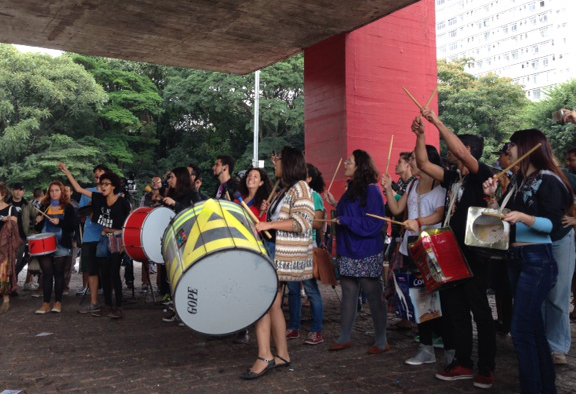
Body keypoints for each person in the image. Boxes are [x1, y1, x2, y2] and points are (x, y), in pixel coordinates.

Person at [483, 129, 572, 394]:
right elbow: (505, 219)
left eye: (511, 145)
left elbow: (550, 225)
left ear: (527, 147)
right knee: (532, 330)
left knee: (521, 330)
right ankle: (546, 388)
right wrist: (493, 197)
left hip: (537, 260)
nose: (507, 150)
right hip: (518, 258)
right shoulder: (522, 179)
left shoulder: (549, 180)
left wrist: (523, 218)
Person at [414, 109, 496, 389]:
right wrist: (421, 134)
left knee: (480, 312)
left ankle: (486, 366)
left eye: (455, 147)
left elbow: (459, 150)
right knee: (455, 311)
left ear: (468, 150)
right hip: (450, 254)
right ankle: (463, 362)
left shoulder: (480, 175)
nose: (449, 151)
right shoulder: (454, 179)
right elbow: (423, 163)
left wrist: (436, 121)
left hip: (474, 255)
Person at [243, 146, 315, 379]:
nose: (274, 163)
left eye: (279, 160)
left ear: (290, 163)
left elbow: (303, 222)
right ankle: (282, 354)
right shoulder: (285, 189)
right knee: (272, 305)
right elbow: (283, 218)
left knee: (262, 303)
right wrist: (269, 214)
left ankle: (265, 356)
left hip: (283, 255)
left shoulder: (301, 187)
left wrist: (270, 224)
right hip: (275, 251)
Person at [383, 144, 453, 367]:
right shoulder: (412, 185)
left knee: (439, 300)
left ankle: (451, 346)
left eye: (413, 158)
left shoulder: (442, 187)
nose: (411, 162)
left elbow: (440, 214)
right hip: (410, 248)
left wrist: (420, 222)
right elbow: (396, 210)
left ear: (426, 161)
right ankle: (426, 348)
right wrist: (387, 189)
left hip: (433, 249)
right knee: (420, 299)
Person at [324, 149, 388, 354]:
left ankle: (381, 340)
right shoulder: (352, 189)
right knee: (349, 293)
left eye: (349, 162)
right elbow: (352, 212)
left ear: (360, 166)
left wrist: (347, 220)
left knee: (373, 294)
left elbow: (374, 223)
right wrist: (336, 204)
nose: (345, 165)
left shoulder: (373, 191)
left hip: (367, 250)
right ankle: (344, 336)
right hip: (348, 248)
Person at [61, 163, 131, 319]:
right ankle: (107, 306)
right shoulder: (99, 198)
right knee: (104, 274)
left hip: (117, 240)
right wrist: (67, 172)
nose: (102, 186)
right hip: (102, 240)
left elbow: (129, 224)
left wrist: (124, 241)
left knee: (114, 273)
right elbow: (79, 189)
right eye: (101, 184)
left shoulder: (122, 203)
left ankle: (118, 307)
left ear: (113, 186)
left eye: (106, 184)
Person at [286, 163, 326, 345]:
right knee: (293, 291)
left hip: (307, 246)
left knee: (311, 290)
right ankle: (294, 327)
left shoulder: (314, 196)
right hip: (291, 247)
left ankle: (316, 330)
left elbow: (318, 223)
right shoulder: (291, 195)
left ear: (309, 179)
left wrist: (298, 221)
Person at [33, 181, 77, 314]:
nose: (54, 193)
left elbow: (73, 225)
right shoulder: (44, 205)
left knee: (58, 274)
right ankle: (46, 303)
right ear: (49, 192)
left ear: (61, 191)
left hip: (61, 244)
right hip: (45, 243)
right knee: (47, 274)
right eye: (52, 190)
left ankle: (58, 302)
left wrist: (60, 222)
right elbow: (38, 228)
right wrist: (38, 222)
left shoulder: (68, 207)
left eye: (57, 190)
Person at [76, 164, 108, 311]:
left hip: (106, 235)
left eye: (101, 173)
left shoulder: (115, 194)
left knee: (107, 270)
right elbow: (82, 215)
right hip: (89, 235)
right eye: (95, 173)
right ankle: (94, 302)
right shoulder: (87, 192)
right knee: (92, 269)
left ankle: (109, 301)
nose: (97, 175)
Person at [7, 182, 37, 284]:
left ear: (24, 192)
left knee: (18, 261)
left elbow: (36, 218)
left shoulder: (28, 205)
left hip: (22, 237)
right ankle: (7, 284)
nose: (18, 192)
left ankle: (12, 284)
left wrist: (33, 231)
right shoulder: (6, 203)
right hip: (7, 237)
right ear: (12, 191)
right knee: (7, 261)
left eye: (21, 190)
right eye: (16, 189)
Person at [0, 182, 22, 313]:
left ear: (3, 194)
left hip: (4, 246)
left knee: (4, 272)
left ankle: (6, 300)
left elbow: (14, 224)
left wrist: (8, 220)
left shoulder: (11, 209)